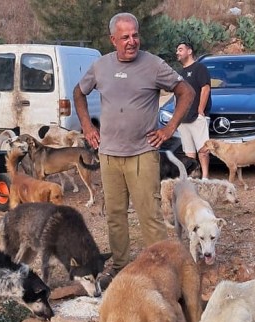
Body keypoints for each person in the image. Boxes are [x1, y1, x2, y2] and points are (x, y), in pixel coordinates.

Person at [73, 12, 194, 289]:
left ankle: (162, 270)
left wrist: (169, 128)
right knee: (115, 215)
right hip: (109, 153)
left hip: (142, 153)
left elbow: (185, 91)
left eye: (135, 35)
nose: (132, 41)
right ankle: (119, 266)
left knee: (149, 215)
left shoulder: (154, 65)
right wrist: (86, 126)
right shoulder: (100, 66)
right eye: (125, 37)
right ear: (113, 39)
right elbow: (79, 93)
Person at [175, 40, 212, 178]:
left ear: (189, 51)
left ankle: (205, 176)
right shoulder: (180, 73)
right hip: (183, 119)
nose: (177, 53)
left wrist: (200, 109)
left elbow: (205, 88)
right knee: (189, 152)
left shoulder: (200, 68)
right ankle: (191, 176)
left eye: (180, 49)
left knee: (202, 150)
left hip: (197, 117)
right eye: (177, 50)